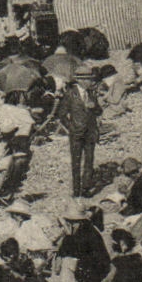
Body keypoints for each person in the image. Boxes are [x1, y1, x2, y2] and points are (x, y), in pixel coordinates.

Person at [51, 66, 101, 198]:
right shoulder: (69, 94)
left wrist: (94, 106)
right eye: (89, 80)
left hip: (90, 132)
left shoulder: (92, 94)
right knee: (76, 163)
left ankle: (85, 189)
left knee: (89, 161)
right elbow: (61, 115)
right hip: (76, 133)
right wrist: (71, 127)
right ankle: (76, 190)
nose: (91, 82)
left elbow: (99, 111)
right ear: (80, 80)